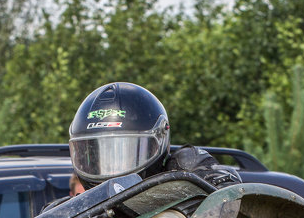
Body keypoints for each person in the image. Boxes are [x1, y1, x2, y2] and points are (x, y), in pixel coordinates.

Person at [68, 81, 239, 191]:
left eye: (125, 153)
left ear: (159, 138)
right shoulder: (78, 208)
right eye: (98, 158)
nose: (112, 171)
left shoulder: (185, 168)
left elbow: (231, 192)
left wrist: (216, 185)